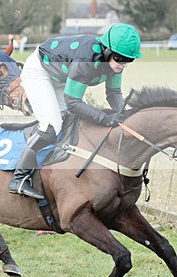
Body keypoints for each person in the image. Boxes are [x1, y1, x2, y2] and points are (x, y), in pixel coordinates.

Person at [8, 23, 142, 200]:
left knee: (78, 123)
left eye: (129, 60)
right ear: (107, 51)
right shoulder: (87, 60)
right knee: (51, 126)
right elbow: (73, 103)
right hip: (40, 72)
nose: (123, 65)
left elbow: (114, 93)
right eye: (120, 59)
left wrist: (125, 117)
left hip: (64, 75)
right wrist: (105, 118)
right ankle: (18, 178)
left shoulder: (115, 62)